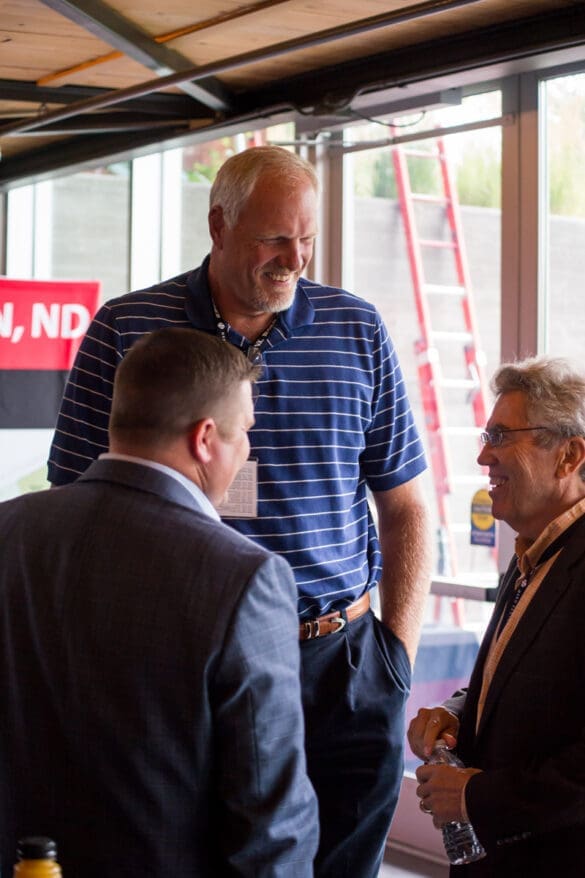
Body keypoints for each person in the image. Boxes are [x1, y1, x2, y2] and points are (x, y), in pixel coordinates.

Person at [47, 145, 432, 877]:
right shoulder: (130, 329)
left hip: (339, 661)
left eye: (306, 238)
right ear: (218, 226)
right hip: (182, 659)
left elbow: (405, 502)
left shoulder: (356, 329)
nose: (294, 257)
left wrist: (394, 660)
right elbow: (76, 503)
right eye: (273, 238)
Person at [1, 327, 318, 877]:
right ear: (204, 439)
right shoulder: (244, 578)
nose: (247, 449)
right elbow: (270, 824)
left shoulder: (8, 530)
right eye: (244, 431)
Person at [408, 355, 585, 876]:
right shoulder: (533, 548)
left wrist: (478, 798)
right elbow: (514, 682)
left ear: (569, 455)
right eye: (487, 436)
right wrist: (456, 715)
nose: (484, 455)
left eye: (503, 436)